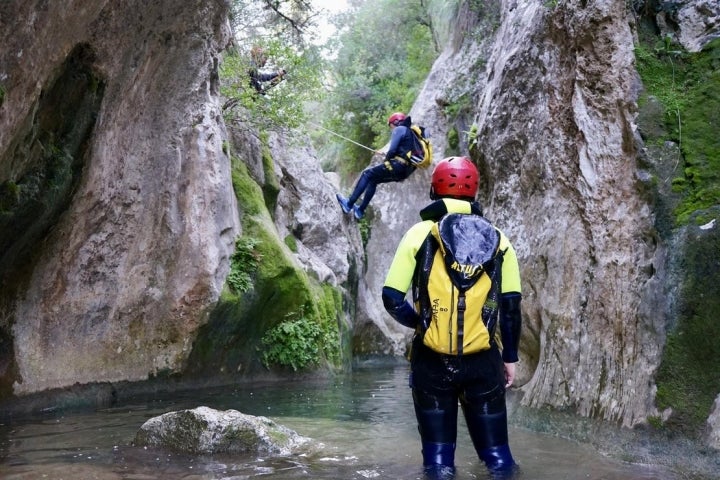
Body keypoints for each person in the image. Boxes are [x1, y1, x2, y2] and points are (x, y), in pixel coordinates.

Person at [381, 156, 522, 479]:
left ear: (435, 189)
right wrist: (510, 357)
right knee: (499, 459)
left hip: (431, 362)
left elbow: (391, 298)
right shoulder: (500, 240)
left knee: (439, 463)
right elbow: (511, 306)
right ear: (474, 192)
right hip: (483, 363)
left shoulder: (420, 234)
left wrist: (420, 322)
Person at [336, 112, 419, 220]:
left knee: (367, 174)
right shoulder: (411, 134)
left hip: (397, 165)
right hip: (405, 171)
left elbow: (393, 150)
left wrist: (387, 158)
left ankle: (349, 204)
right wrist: (389, 155)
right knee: (374, 180)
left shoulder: (399, 129)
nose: (391, 129)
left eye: (391, 126)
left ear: (395, 122)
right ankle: (360, 211)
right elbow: (402, 152)